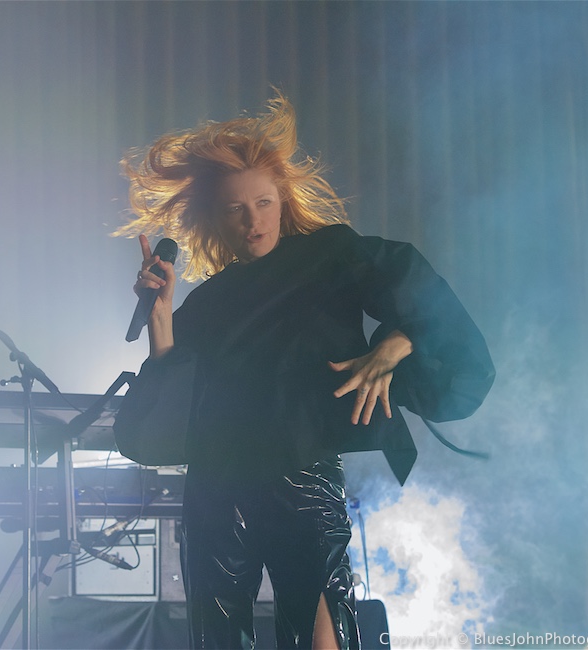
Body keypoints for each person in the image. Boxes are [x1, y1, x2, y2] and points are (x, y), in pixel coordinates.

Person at [113, 93, 495, 650]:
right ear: (216, 218)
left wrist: (396, 340)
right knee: (217, 637)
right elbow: (173, 402)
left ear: (283, 199)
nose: (253, 221)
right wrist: (163, 317)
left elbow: (423, 299)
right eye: (236, 210)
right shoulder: (211, 300)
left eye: (264, 203)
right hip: (218, 481)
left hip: (299, 471)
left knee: (322, 636)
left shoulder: (330, 255)